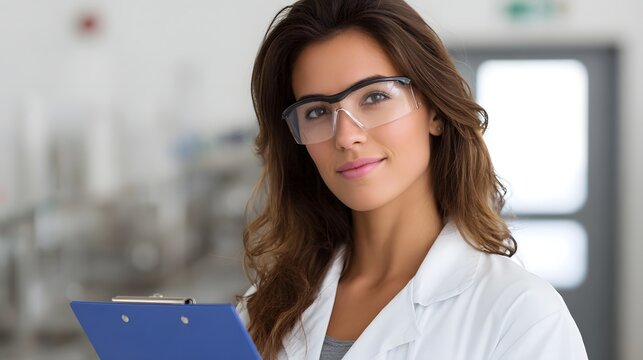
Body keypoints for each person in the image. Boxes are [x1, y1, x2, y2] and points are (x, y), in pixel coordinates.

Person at [236, 0, 588, 359]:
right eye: (316, 111)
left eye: (374, 97)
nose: (344, 136)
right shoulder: (264, 306)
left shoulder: (522, 315)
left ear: (434, 111)